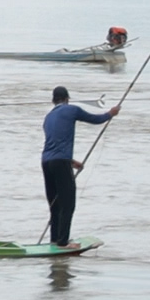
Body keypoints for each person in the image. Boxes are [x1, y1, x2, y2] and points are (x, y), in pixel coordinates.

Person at [41, 85, 118, 247]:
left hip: (46, 162)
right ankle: (63, 242)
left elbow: (54, 143)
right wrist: (111, 114)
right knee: (67, 202)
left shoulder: (47, 118)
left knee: (55, 204)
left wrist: (71, 162)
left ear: (53, 101)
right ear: (67, 99)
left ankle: (55, 239)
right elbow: (95, 119)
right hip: (61, 162)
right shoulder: (72, 110)